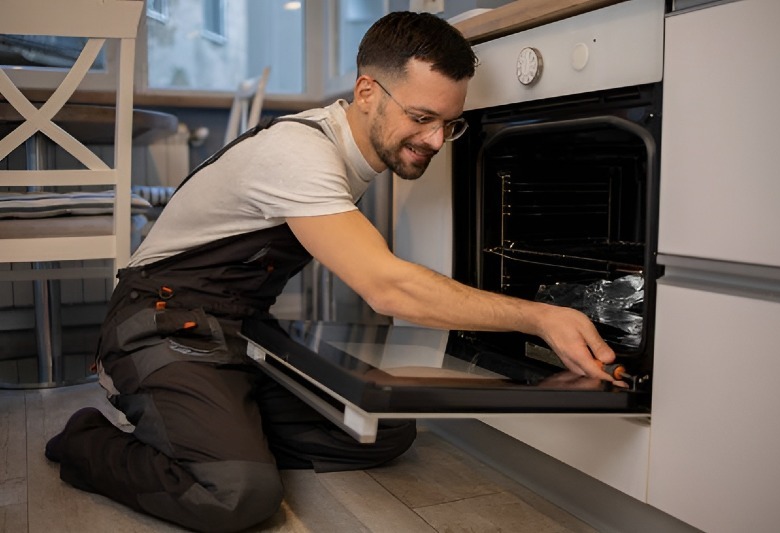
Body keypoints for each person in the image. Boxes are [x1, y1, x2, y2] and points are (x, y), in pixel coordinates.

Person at [44, 11, 619, 533]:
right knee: (236, 495)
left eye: (451, 123)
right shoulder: (300, 153)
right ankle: (87, 439)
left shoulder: (349, 148)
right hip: (160, 324)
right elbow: (388, 287)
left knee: (386, 433)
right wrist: (540, 318)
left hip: (236, 332)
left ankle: (215, 426)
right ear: (367, 91)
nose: (436, 139)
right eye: (422, 117)